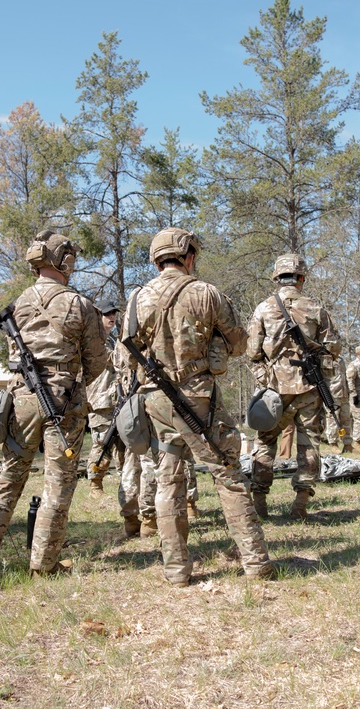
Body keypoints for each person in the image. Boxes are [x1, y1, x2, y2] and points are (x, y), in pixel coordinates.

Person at [120, 227, 272, 587]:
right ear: (188, 256)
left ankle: (176, 571)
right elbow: (240, 345)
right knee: (228, 475)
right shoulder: (205, 292)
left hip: (155, 399)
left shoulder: (136, 299)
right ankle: (256, 563)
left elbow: (123, 356)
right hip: (199, 398)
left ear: (157, 258)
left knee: (167, 480)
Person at [0, 231, 107, 575]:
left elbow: (13, 355)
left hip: (21, 399)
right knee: (58, 483)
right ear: (65, 262)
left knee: (9, 475)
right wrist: (69, 381)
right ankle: (43, 566)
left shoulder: (19, 303)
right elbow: (97, 363)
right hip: (63, 400)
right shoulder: (78, 304)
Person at [246, 253, 341, 520]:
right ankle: (299, 507)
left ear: (277, 278)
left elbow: (252, 348)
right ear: (301, 278)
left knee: (265, 443)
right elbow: (334, 347)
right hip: (310, 387)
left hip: (274, 388)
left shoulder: (263, 308)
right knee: (309, 443)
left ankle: (260, 506)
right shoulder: (316, 309)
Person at [85, 298, 123, 494]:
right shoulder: (94, 339)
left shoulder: (111, 340)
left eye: (114, 314)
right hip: (100, 400)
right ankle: (95, 482)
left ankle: (126, 483)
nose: (112, 317)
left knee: (123, 443)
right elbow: (112, 360)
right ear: (97, 316)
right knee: (102, 444)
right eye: (107, 314)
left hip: (117, 398)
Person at [324, 354, 353, 453]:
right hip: (332, 394)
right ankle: (333, 443)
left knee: (346, 418)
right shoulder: (325, 359)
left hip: (344, 393)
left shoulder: (340, 360)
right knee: (333, 419)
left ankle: (347, 444)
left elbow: (344, 377)